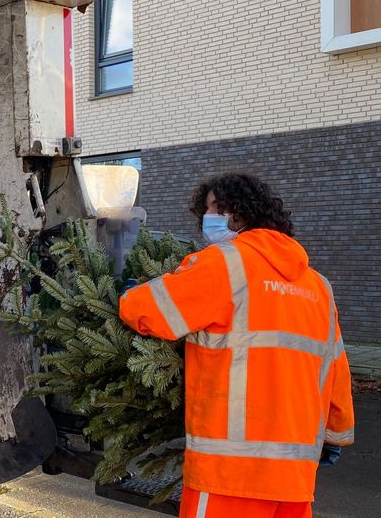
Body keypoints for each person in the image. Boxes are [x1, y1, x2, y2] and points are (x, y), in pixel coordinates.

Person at [119, 173, 353, 518]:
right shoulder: (318, 286)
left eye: (213, 209)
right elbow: (335, 368)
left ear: (238, 213)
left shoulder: (225, 263)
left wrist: (126, 293)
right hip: (295, 475)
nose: (206, 219)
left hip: (228, 474)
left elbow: (151, 311)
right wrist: (335, 435)